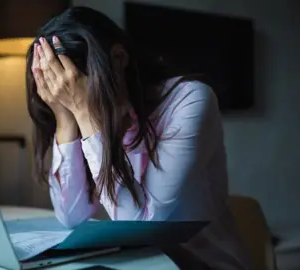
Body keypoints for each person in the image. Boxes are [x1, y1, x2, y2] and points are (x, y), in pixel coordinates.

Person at [26, 6, 251, 270]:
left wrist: (87, 114)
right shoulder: (75, 112)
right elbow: (72, 217)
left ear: (119, 57)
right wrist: (65, 119)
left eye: (74, 89)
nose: (73, 100)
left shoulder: (190, 101)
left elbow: (141, 224)